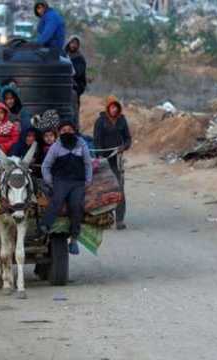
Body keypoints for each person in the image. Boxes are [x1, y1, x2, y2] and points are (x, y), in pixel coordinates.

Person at [40, 119, 93, 255]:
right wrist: (50, 181)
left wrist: (88, 180)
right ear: (59, 133)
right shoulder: (56, 147)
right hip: (60, 180)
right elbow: (46, 166)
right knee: (57, 199)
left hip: (78, 182)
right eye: (63, 131)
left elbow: (88, 164)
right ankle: (45, 225)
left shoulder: (82, 145)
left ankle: (74, 239)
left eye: (69, 130)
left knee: (76, 205)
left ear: (74, 131)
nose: (67, 133)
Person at [93, 95, 131, 230]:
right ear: (108, 107)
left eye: (116, 107)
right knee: (104, 189)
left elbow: (128, 139)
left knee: (119, 188)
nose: (114, 110)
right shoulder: (100, 121)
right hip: (104, 160)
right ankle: (105, 218)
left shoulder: (122, 120)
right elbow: (96, 141)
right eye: (112, 107)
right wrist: (100, 155)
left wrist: (123, 147)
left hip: (117, 160)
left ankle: (119, 219)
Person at [65, 35, 87, 115]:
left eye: (76, 43)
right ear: (68, 43)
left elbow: (78, 73)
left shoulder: (79, 58)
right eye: (72, 43)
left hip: (74, 86)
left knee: (73, 110)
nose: (74, 45)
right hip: (62, 86)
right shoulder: (63, 55)